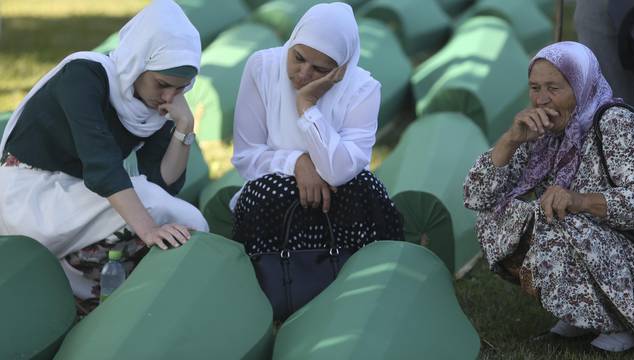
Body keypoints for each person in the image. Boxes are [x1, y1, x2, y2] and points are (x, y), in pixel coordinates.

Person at [0, 0, 208, 300]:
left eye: (181, 88)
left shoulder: (152, 107)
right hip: (29, 198)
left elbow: (163, 182)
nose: (170, 96)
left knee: (176, 213)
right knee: (158, 208)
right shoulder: (83, 76)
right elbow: (102, 166)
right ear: (139, 60)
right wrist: (147, 229)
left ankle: (89, 288)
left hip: (77, 199)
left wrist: (184, 127)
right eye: (162, 84)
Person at [463, 41, 634, 352]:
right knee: (497, 218)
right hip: (584, 240)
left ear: (580, 85)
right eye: (534, 87)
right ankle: (581, 311)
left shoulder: (614, 122)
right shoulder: (541, 131)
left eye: (554, 88)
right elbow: (477, 197)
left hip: (629, 255)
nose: (542, 99)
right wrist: (511, 140)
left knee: (560, 222)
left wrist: (580, 200)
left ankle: (622, 319)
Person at [231, 2, 403, 254]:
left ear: (341, 69)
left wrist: (308, 108)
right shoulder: (262, 68)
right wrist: (298, 163)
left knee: (364, 187)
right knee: (266, 194)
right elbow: (247, 157)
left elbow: (340, 171)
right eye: (298, 58)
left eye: (320, 69)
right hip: (275, 192)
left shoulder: (363, 89)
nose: (303, 74)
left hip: (338, 197)